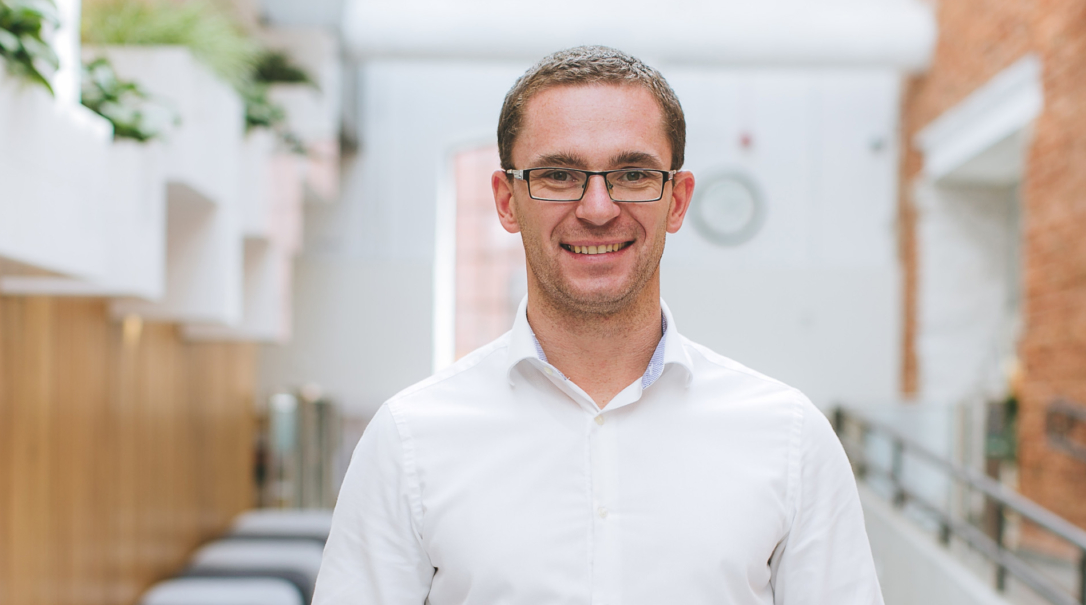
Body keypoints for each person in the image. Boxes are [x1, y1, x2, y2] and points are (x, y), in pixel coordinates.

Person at [312, 46, 883, 605]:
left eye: (633, 174)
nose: (598, 208)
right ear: (507, 202)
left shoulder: (790, 440)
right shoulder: (410, 441)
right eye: (559, 174)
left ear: (677, 200)